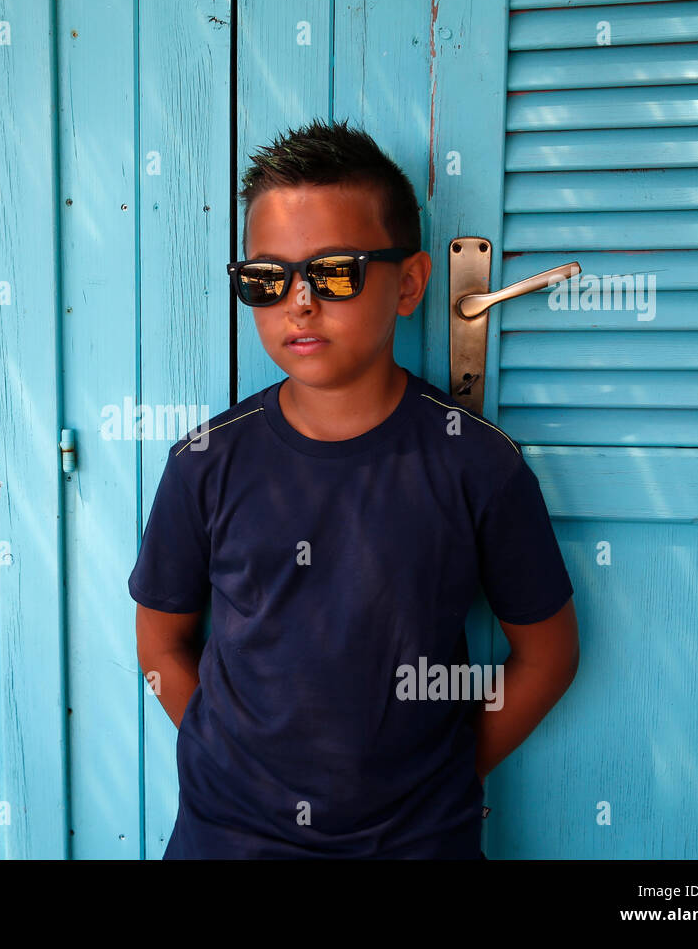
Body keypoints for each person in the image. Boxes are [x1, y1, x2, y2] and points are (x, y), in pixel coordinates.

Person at [128, 118, 579, 859]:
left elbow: (548, 656)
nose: (299, 302)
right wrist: (227, 759)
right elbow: (160, 639)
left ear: (408, 284)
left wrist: (433, 785)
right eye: (267, 279)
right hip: (227, 839)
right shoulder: (205, 462)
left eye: (335, 272)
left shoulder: (477, 465)